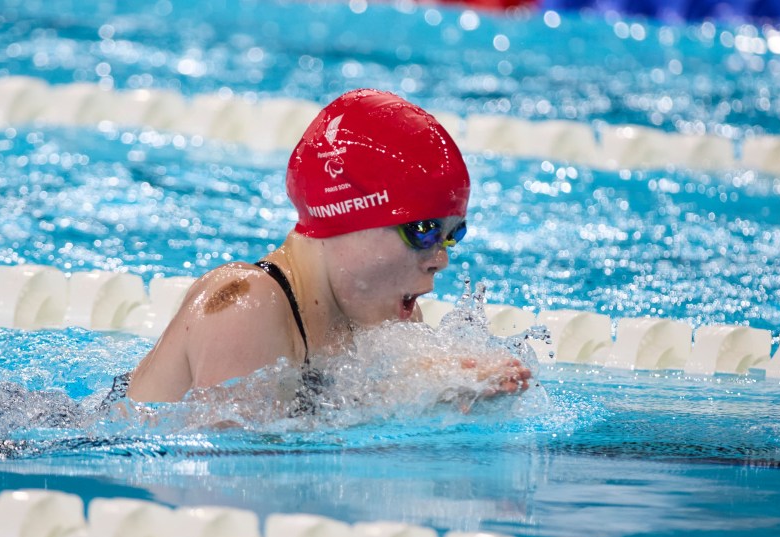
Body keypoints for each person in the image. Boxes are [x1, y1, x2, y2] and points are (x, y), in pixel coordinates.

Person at [124, 89, 531, 410]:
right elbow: (233, 479)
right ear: (348, 218)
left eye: (452, 234)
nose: (441, 259)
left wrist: (441, 392)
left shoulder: (381, 313)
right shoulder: (247, 305)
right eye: (422, 231)